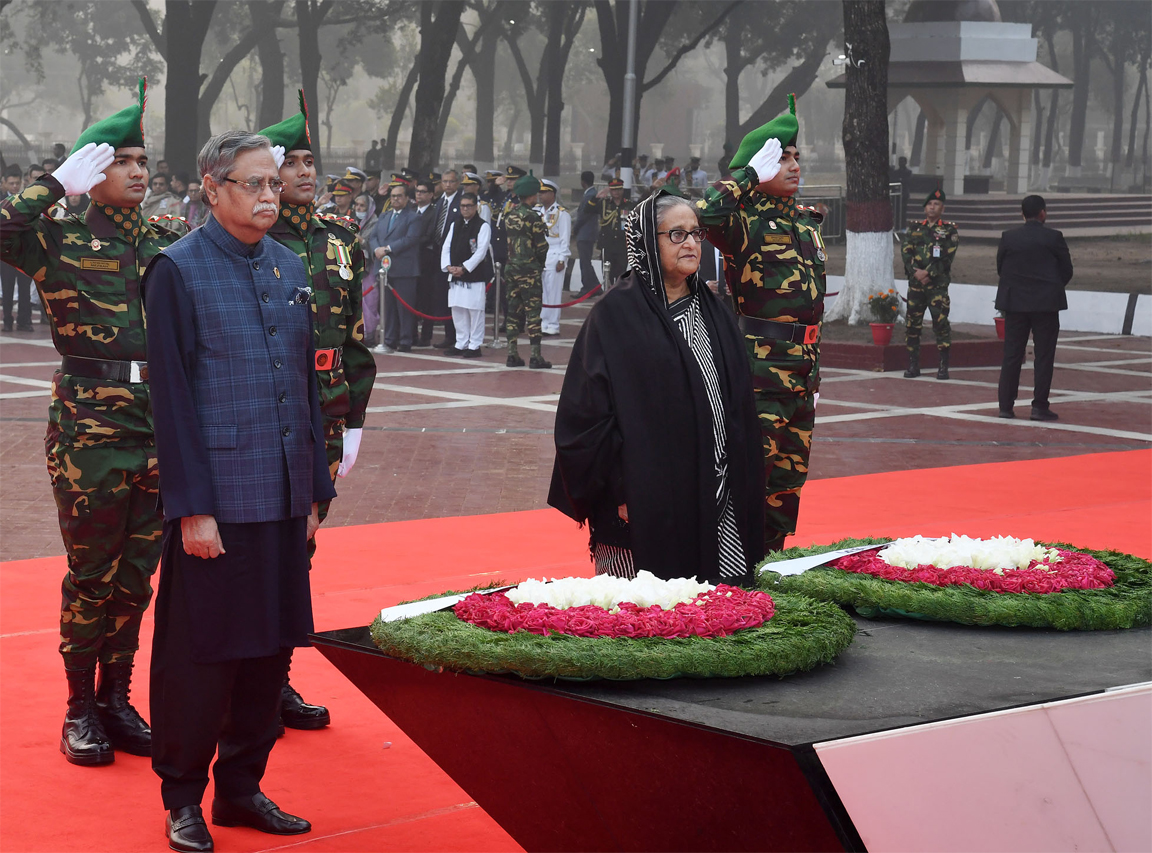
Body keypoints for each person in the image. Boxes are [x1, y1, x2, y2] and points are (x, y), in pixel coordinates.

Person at [143, 130, 334, 853]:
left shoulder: (290, 265)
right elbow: (171, 399)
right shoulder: (177, 270)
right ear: (212, 187)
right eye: (253, 184)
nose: (268, 196)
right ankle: (183, 799)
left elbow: (306, 382)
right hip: (217, 505)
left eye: (273, 184)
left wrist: (312, 492)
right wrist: (192, 507)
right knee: (202, 659)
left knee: (269, 655)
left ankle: (242, 788)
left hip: (282, 496)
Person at [0, 78, 188, 765]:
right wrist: (53, 185)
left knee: (137, 574)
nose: (137, 172)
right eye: (120, 161)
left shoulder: (168, 241)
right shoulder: (56, 237)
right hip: (89, 429)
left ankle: (116, 699)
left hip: (158, 425)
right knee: (91, 572)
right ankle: (79, 707)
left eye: (142, 161)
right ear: (91, 170)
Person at [549, 191, 764, 583]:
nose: (691, 243)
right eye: (677, 234)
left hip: (716, 490)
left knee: (718, 603)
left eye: (696, 233)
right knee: (647, 609)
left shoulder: (714, 310)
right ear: (648, 240)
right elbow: (586, 417)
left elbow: (738, 405)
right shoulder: (615, 315)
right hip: (642, 498)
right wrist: (619, 490)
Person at [260, 94, 376, 731]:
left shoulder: (341, 238)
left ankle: (275, 681)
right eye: (292, 162)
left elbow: (354, 337)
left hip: (324, 415)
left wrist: (353, 419)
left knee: (301, 547)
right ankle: (246, 682)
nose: (305, 172)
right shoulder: (253, 236)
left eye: (310, 162)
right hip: (265, 411)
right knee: (258, 549)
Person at [696, 93, 827, 555]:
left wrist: (814, 375)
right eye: (781, 158)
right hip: (760, 375)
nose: (793, 165)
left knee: (788, 481)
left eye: (795, 157)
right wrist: (748, 176)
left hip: (802, 372)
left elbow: (812, 308)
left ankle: (772, 563)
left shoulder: (807, 224)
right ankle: (735, 565)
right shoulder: (742, 224)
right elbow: (703, 214)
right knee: (751, 475)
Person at [995, 195, 1073, 421]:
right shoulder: (1054, 237)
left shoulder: (1009, 237)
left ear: (1022, 214)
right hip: (1046, 305)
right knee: (1044, 357)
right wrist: (1051, 287)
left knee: (1012, 355)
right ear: (1043, 213)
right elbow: (1066, 270)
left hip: (1015, 304)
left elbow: (1001, 268)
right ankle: (1039, 406)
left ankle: (1005, 407)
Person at [900, 187, 958, 379]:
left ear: (943, 208)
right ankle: (913, 365)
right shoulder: (914, 228)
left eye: (936, 204)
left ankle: (943, 366)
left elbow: (947, 258)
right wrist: (916, 273)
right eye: (930, 204)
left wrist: (928, 273)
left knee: (940, 325)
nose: (932, 207)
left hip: (937, 287)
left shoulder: (949, 230)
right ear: (925, 208)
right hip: (916, 286)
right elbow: (906, 252)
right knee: (912, 326)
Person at [503, 173, 550, 369]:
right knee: (533, 313)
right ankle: (535, 356)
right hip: (529, 270)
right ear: (531, 195)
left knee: (513, 312)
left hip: (511, 268)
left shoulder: (509, 215)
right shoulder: (533, 217)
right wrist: (539, 265)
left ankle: (512, 353)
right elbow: (542, 247)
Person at [371, 180, 424, 352]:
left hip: (404, 269)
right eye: (393, 196)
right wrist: (376, 249)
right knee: (387, 308)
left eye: (399, 196)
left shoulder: (414, 217)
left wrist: (387, 249)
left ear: (407, 198)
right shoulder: (384, 216)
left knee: (404, 308)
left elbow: (410, 239)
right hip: (384, 269)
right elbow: (373, 236)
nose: (395, 199)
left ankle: (406, 340)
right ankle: (389, 338)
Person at [441, 191, 492, 358]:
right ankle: (461, 342)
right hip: (455, 274)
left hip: (474, 275)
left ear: (476, 207)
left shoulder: (483, 226)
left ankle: (475, 345)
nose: (465, 209)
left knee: (475, 311)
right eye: (462, 206)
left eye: (469, 206)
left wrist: (464, 268)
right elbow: (446, 246)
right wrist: (448, 266)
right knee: (458, 309)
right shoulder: (455, 224)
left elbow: (481, 252)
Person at [426, 169, 461, 348]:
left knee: (455, 298)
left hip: (455, 255)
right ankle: (449, 336)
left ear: (458, 183)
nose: (448, 185)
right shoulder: (440, 202)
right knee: (442, 296)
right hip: (438, 254)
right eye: (445, 181)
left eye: (451, 181)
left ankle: (457, 336)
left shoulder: (461, 202)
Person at [535, 179, 571, 336]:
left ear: (552, 194)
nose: (540, 195)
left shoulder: (561, 213)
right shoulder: (537, 211)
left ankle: (553, 324)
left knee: (553, 292)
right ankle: (543, 322)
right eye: (540, 192)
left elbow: (565, 238)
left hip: (555, 253)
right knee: (541, 291)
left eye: (544, 192)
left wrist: (562, 259)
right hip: (539, 254)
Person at [2, 165, 35, 332]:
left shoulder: (27, 199)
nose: (15, 186)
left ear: (22, 182)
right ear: (4, 183)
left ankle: (24, 320)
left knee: (25, 289)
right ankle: (7, 320)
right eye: (11, 183)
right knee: (7, 289)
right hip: (6, 253)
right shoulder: (1, 201)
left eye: (17, 183)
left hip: (24, 252)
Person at [411, 179, 440, 347]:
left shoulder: (434, 213)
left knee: (426, 298)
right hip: (410, 259)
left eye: (422, 192)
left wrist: (410, 242)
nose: (419, 194)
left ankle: (426, 335)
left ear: (431, 195)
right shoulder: (411, 210)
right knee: (412, 299)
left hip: (426, 260)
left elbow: (429, 236)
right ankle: (412, 333)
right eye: (417, 191)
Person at [593, 177, 632, 286]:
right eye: (614, 189)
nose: (616, 192)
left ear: (622, 190)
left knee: (621, 274)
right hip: (607, 245)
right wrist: (596, 197)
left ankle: (619, 295)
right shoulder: (604, 204)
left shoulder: (629, 205)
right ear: (610, 191)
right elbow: (588, 209)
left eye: (618, 189)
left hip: (622, 245)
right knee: (607, 275)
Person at [572, 170, 600, 298]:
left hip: (585, 233)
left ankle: (587, 287)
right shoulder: (591, 193)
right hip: (588, 232)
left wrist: (575, 228)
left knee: (585, 262)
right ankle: (595, 286)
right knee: (586, 261)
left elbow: (583, 215)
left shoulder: (590, 195)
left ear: (583, 182)